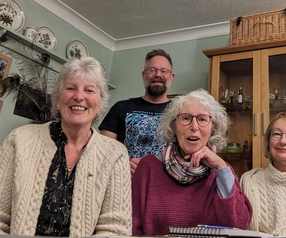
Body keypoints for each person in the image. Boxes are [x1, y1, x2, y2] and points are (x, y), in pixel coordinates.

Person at [0, 57, 132, 236]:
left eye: (89, 90)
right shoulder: (19, 139)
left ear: (100, 105)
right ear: (57, 99)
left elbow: (115, 229)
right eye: (70, 88)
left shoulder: (115, 154)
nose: (79, 96)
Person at [132, 88, 252, 236]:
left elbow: (239, 226)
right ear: (174, 126)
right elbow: (132, 227)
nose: (194, 127)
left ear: (212, 129)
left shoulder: (223, 171)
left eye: (202, 119)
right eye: (186, 118)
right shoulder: (148, 167)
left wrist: (221, 168)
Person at [99, 49, 174, 175]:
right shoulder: (120, 107)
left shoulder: (180, 112)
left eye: (164, 71)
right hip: (124, 183)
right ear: (143, 75)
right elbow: (102, 150)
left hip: (165, 185)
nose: (158, 74)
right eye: (152, 70)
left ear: (171, 77)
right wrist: (123, 164)